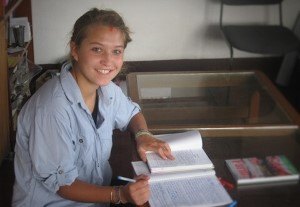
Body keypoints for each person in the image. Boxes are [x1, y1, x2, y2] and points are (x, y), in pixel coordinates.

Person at [12, 8, 174, 207]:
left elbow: (132, 113)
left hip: (99, 197)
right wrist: (120, 195)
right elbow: (64, 185)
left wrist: (143, 135)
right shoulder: (52, 109)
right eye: (97, 49)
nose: (108, 61)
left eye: (116, 51)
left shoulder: (107, 90)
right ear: (75, 50)